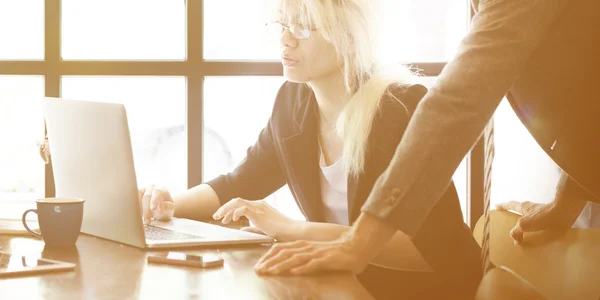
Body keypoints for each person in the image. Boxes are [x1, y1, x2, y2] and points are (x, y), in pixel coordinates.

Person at [252, 0, 600, 297]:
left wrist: (356, 242)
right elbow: (588, 84)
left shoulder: (394, 105)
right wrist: (567, 198)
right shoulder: (292, 106)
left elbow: (457, 101)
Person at [140, 0, 483, 298]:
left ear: (350, 36)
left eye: (303, 28)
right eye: (282, 24)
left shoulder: (400, 109)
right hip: (344, 289)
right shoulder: (293, 103)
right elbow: (238, 183)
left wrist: (295, 230)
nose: (285, 39)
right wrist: (166, 206)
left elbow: (430, 253)